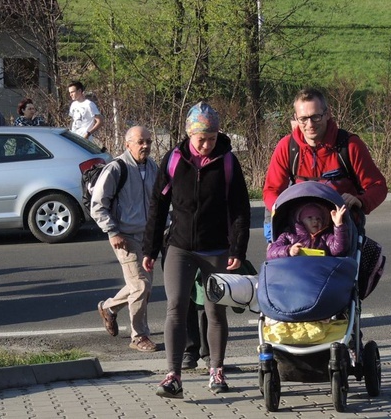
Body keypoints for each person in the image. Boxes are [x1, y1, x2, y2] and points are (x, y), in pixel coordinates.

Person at [142, 102, 250, 399]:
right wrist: (150, 248)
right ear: (189, 134)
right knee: (176, 307)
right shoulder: (174, 159)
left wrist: (237, 248)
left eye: (212, 138)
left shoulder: (227, 161)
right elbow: (158, 205)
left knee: (216, 311)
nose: (206, 144)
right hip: (179, 246)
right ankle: (173, 375)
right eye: (201, 138)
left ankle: (216, 369)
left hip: (217, 248)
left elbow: (240, 209)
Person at [262, 88, 388, 236]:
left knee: (372, 256)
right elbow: (271, 190)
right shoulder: (287, 147)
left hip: (342, 227)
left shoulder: (350, 146)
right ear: (296, 118)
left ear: (327, 114)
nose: (310, 125)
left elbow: (378, 186)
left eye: (316, 117)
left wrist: (360, 201)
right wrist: (281, 211)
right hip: (300, 227)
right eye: (303, 119)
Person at [91, 126, 158, 353]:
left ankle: (108, 308)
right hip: (125, 237)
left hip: (147, 236)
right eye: (140, 142)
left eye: (148, 141)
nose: (145, 146)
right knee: (140, 285)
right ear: (127, 143)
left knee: (141, 287)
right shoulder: (116, 169)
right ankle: (139, 336)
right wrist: (112, 232)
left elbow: (157, 202)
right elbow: (98, 205)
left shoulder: (152, 167)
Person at [267, 202, 348, 259]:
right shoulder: (289, 236)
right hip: (295, 272)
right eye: (309, 217)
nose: (315, 221)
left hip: (320, 273)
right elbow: (271, 252)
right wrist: (289, 250)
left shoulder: (325, 237)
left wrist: (338, 225)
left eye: (318, 219)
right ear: (300, 220)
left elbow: (338, 250)